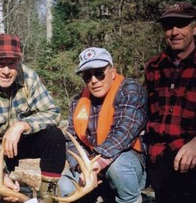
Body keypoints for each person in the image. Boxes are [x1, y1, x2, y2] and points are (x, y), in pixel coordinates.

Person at [0, 34, 66, 203]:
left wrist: (22, 125)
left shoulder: (29, 77)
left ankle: (47, 196)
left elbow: (53, 113)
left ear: (19, 62)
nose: (6, 71)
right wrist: (1, 173)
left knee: (54, 137)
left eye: (11, 64)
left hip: (23, 140)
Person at [144, 1, 196, 203]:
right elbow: (149, 115)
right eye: (169, 26)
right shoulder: (153, 67)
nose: (174, 32)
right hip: (160, 158)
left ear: (195, 27)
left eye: (181, 24)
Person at [58, 47, 148, 203]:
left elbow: (124, 132)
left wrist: (95, 165)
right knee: (65, 186)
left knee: (117, 169)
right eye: (87, 76)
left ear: (112, 72)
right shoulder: (77, 101)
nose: (93, 80)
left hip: (126, 161)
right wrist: (82, 168)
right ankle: (102, 194)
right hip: (94, 166)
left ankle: (130, 199)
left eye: (99, 72)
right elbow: (71, 140)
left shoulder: (130, 90)